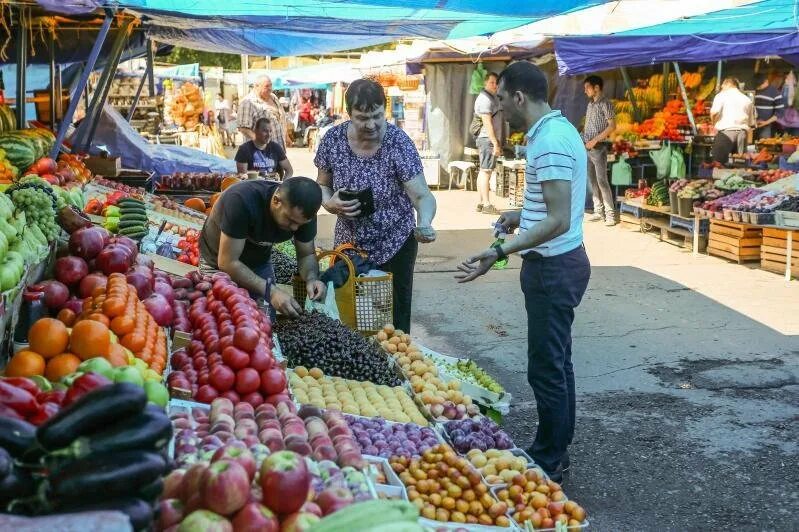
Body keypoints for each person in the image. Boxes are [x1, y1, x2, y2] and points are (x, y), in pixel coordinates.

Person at [455, 62, 591, 483]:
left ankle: (549, 458)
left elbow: (558, 220)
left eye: (500, 99)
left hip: (553, 268)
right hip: (562, 263)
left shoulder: (548, 141)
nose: (496, 108)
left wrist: (498, 250)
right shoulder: (558, 130)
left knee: (546, 367)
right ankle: (557, 448)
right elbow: (551, 208)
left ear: (518, 97)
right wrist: (520, 213)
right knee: (558, 362)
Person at [315, 78, 437, 333]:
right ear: (348, 114)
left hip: (396, 242)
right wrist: (329, 203)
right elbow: (322, 184)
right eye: (362, 118)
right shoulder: (333, 140)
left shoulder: (398, 143)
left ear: (385, 110)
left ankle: (398, 365)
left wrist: (424, 222)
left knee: (393, 318)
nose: (371, 124)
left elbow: (422, 196)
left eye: (377, 116)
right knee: (351, 313)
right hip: (350, 244)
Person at [199, 176, 325, 319]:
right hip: (217, 261)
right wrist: (271, 292)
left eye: (300, 224)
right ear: (276, 201)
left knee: (264, 320)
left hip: (258, 262)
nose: (295, 228)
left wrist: (312, 278)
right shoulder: (241, 200)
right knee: (221, 319)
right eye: (290, 220)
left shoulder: (302, 214)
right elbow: (227, 262)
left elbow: (306, 255)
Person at [582, 75, 616, 226]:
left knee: (602, 181)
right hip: (587, 148)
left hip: (599, 148)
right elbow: (588, 126)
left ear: (596, 88)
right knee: (592, 181)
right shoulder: (590, 105)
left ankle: (610, 215)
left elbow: (612, 126)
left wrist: (595, 140)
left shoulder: (606, 104)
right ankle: (598, 211)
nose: (585, 91)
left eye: (587, 88)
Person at [473, 72, 504, 215]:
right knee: (486, 171)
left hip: (485, 139)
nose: (495, 85)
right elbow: (487, 123)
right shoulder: (485, 99)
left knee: (484, 170)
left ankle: (481, 202)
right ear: (485, 83)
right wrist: (495, 143)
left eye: (496, 83)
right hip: (487, 139)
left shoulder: (491, 97)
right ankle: (486, 204)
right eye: (492, 82)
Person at [710, 77, 755, 163]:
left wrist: (713, 124)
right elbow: (750, 123)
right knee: (739, 164)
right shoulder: (747, 99)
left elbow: (714, 113)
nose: (721, 88)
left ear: (728, 84)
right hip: (742, 134)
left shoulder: (721, 96)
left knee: (718, 164)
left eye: (722, 85)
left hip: (725, 134)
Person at [238, 76, 289, 151]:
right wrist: (261, 143)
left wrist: (286, 136)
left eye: (271, 85)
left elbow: (280, 119)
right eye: (267, 86)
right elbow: (243, 128)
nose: (270, 89)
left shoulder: (273, 97)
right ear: (256, 86)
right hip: (260, 153)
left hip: (278, 150)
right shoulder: (248, 102)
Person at [755, 71, 784, 140]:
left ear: (766, 81)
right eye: (757, 85)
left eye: (759, 85)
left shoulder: (775, 92)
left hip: (766, 126)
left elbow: (780, 113)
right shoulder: (755, 90)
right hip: (753, 124)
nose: (758, 87)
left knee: (764, 146)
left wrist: (766, 122)